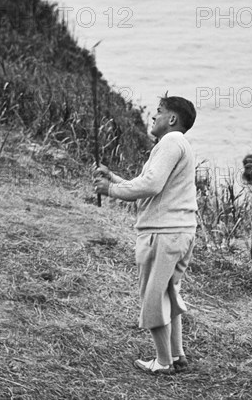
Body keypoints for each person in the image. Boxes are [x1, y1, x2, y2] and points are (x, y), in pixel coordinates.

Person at [93, 95, 198, 375]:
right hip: (179, 232)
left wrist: (110, 191)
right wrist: (113, 178)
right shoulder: (178, 144)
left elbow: (151, 185)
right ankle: (177, 356)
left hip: (164, 234)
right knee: (168, 293)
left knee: (153, 297)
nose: (154, 117)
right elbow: (152, 184)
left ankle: (163, 363)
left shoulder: (171, 142)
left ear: (172, 119)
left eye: (159, 112)